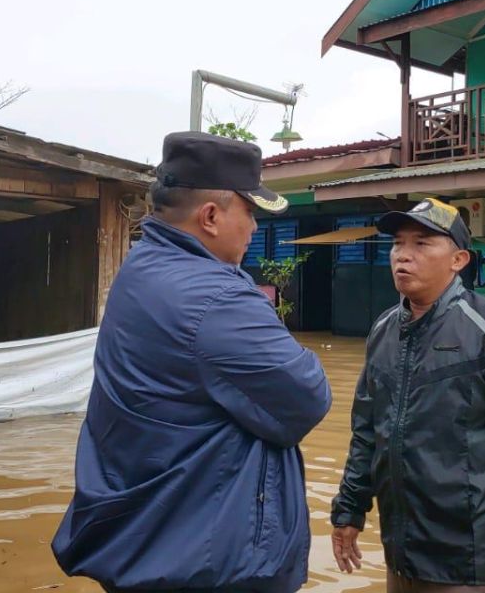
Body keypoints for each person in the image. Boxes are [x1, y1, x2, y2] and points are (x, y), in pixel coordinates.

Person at [52, 132, 333, 593]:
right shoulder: (216, 296)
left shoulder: (140, 268)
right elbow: (308, 396)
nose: (256, 229)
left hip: (151, 543)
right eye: (251, 213)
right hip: (205, 562)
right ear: (211, 216)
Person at [331, 198, 485, 593]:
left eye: (422, 244)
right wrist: (349, 509)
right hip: (401, 551)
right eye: (397, 244)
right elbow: (367, 431)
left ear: (458, 260)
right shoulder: (384, 330)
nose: (403, 255)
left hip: (469, 561)